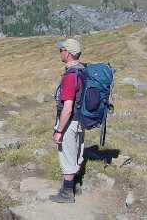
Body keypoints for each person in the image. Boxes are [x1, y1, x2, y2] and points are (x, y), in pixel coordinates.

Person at [49, 38, 85, 203]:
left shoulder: (71, 76)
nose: (60, 52)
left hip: (70, 122)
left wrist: (59, 131)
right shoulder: (82, 70)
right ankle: (73, 186)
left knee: (67, 156)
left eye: (61, 50)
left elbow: (68, 108)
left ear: (68, 53)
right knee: (75, 153)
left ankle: (67, 193)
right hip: (80, 121)